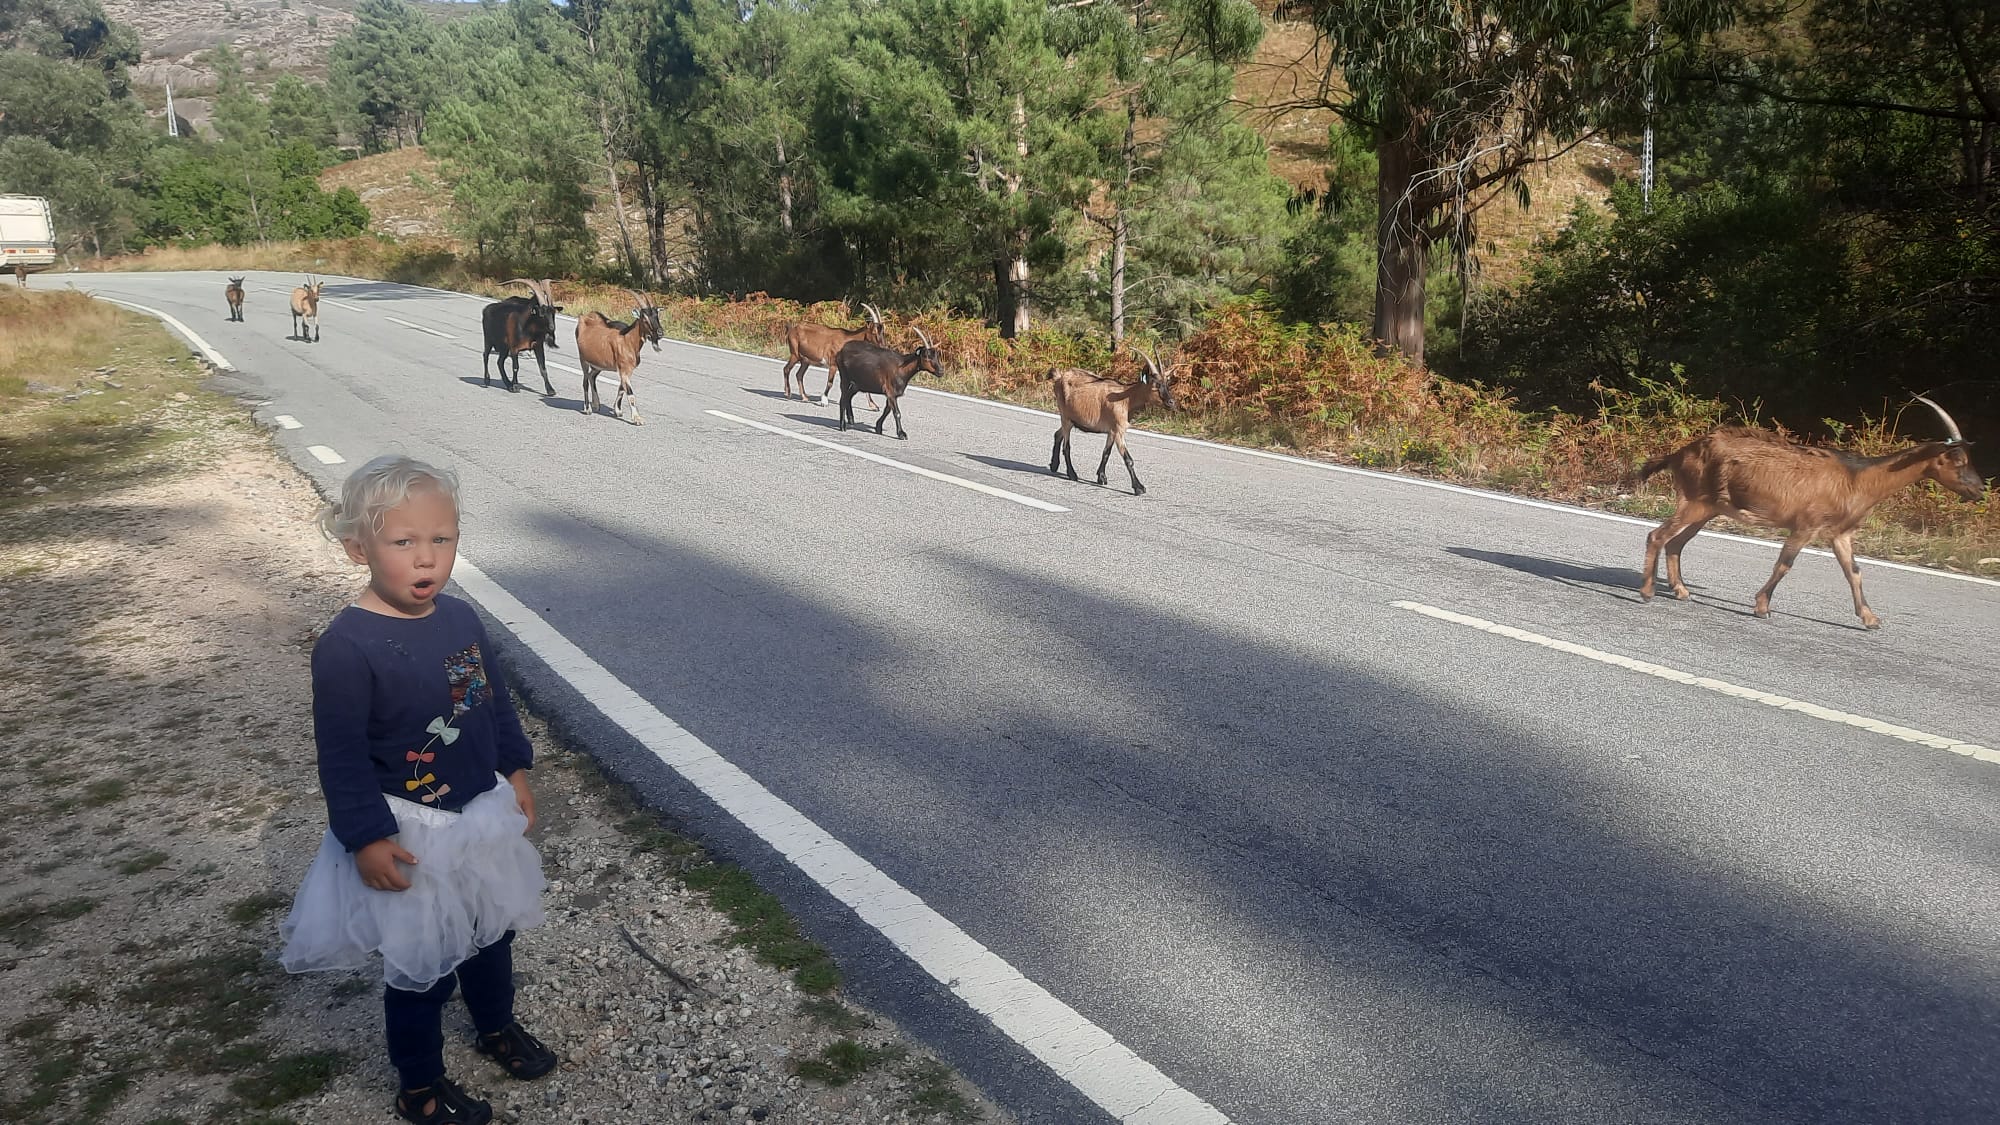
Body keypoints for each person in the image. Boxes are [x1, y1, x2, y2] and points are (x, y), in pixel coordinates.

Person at [280, 455, 556, 1125]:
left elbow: (489, 704)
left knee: (492, 934)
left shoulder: (459, 622)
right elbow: (341, 754)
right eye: (403, 542)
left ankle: (495, 1026)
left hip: (479, 814)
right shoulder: (347, 647)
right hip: (409, 831)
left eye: (442, 538)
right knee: (422, 965)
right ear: (357, 547)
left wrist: (514, 770)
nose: (426, 557)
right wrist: (366, 836)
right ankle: (420, 1083)